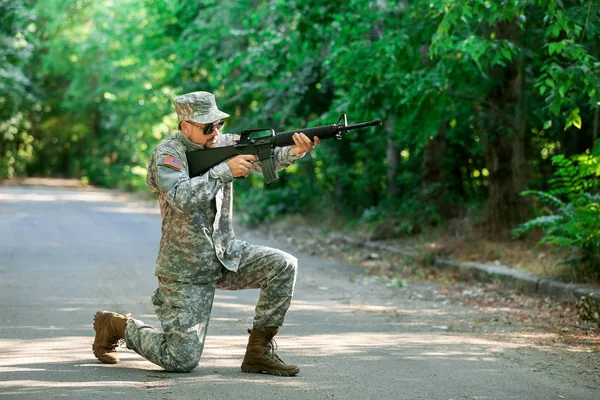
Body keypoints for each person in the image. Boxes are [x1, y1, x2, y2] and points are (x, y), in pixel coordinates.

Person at [92, 91, 319, 375]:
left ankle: (258, 352)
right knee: (181, 360)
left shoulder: (226, 143)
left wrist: (296, 150)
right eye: (207, 126)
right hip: (186, 268)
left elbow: (267, 157)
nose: (215, 132)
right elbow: (179, 197)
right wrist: (223, 171)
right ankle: (116, 325)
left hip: (226, 254)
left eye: (218, 124)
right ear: (185, 125)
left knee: (284, 264)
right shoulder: (168, 154)